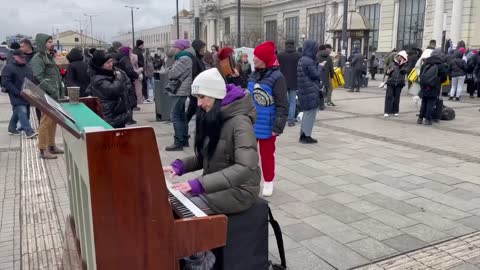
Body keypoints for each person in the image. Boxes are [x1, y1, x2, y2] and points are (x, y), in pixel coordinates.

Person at [163, 68, 260, 268]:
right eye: (196, 97)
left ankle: (200, 263)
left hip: (241, 190)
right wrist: (180, 166)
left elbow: (245, 167)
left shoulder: (240, 122)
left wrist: (198, 184)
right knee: (175, 203)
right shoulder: (215, 114)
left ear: (216, 95)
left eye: (202, 97)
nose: (198, 103)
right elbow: (208, 155)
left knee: (189, 212)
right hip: (219, 184)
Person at [247, 41, 288, 197]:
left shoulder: (278, 77)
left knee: (266, 154)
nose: (253, 58)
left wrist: (277, 127)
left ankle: (268, 181)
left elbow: (282, 104)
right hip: (250, 121)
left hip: (267, 124)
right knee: (248, 153)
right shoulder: (254, 73)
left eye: (256, 56)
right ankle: (250, 179)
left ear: (263, 58)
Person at [31, 33, 65, 159]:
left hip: (54, 93)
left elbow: (54, 75)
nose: (52, 43)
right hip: (46, 95)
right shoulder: (38, 58)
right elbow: (39, 77)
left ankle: (51, 145)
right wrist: (52, 90)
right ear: (42, 43)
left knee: (53, 121)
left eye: (52, 41)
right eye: (49, 41)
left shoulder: (48, 56)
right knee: (45, 122)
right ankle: (43, 149)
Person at [165, 39, 196, 151]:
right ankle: (184, 139)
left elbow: (172, 73)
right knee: (181, 115)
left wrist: (169, 69)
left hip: (180, 90)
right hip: (181, 90)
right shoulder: (185, 57)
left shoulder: (184, 58)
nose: (175, 49)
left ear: (181, 48)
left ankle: (178, 142)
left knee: (175, 116)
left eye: (176, 47)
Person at [88, 50, 131, 128]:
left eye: (111, 61)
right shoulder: (98, 79)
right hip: (110, 115)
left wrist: (120, 78)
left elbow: (127, 83)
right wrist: (119, 78)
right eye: (108, 63)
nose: (111, 64)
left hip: (118, 113)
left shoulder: (113, 72)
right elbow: (113, 90)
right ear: (100, 65)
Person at [1, 49, 37, 138]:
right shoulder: (8, 68)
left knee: (22, 113)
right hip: (15, 94)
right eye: (21, 58)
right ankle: (29, 131)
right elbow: (6, 82)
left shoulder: (27, 67)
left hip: (26, 94)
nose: (23, 59)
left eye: (23, 57)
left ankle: (12, 128)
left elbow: (31, 80)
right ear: (14, 57)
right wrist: (17, 92)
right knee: (22, 111)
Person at [298, 40, 324, 144]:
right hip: (310, 90)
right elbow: (316, 74)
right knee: (310, 113)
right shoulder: (308, 60)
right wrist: (321, 66)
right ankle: (306, 136)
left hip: (304, 89)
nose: (317, 50)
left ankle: (303, 134)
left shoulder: (302, 59)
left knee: (306, 113)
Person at [417, 49, 448, 125]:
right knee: (431, 102)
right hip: (434, 86)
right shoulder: (441, 65)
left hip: (425, 86)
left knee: (424, 102)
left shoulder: (426, 63)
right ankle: (428, 119)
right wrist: (439, 82)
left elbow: (421, 75)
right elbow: (444, 76)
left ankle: (420, 118)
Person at [278, 40, 301, 127]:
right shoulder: (298, 55)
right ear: (293, 45)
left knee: (284, 101)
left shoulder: (280, 55)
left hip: (282, 81)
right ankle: (291, 120)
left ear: (286, 45)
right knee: (292, 101)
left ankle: (284, 118)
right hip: (294, 81)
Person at [116, 46, 140, 124]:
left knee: (123, 100)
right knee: (130, 100)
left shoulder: (117, 58)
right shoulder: (125, 59)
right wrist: (136, 75)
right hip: (127, 81)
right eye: (129, 51)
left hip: (119, 81)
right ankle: (129, 119)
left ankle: (126, 118)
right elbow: (129, 70)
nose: (130, 53)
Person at [186, 40, 207, 124]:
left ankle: (183, 128)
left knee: (192, 110)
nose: (204, 50)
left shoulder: (199, 59)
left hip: (197, 89)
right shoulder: (195, 59)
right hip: (196, 90)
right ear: (198, 48)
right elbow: (194, 75)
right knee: (196, 110)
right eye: (202, 48)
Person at [384, 51, 409, 117]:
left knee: (396, 97)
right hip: (390, 82)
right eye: (399, 56)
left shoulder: (405, 65)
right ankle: (387, 111)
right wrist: (388, 71)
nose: (399, 58)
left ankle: (395, 111)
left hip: (399, 83)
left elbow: (404, 71)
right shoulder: (392, 63)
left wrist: (402, 64)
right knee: (389, 96)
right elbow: (387, 72)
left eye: (401, 57)